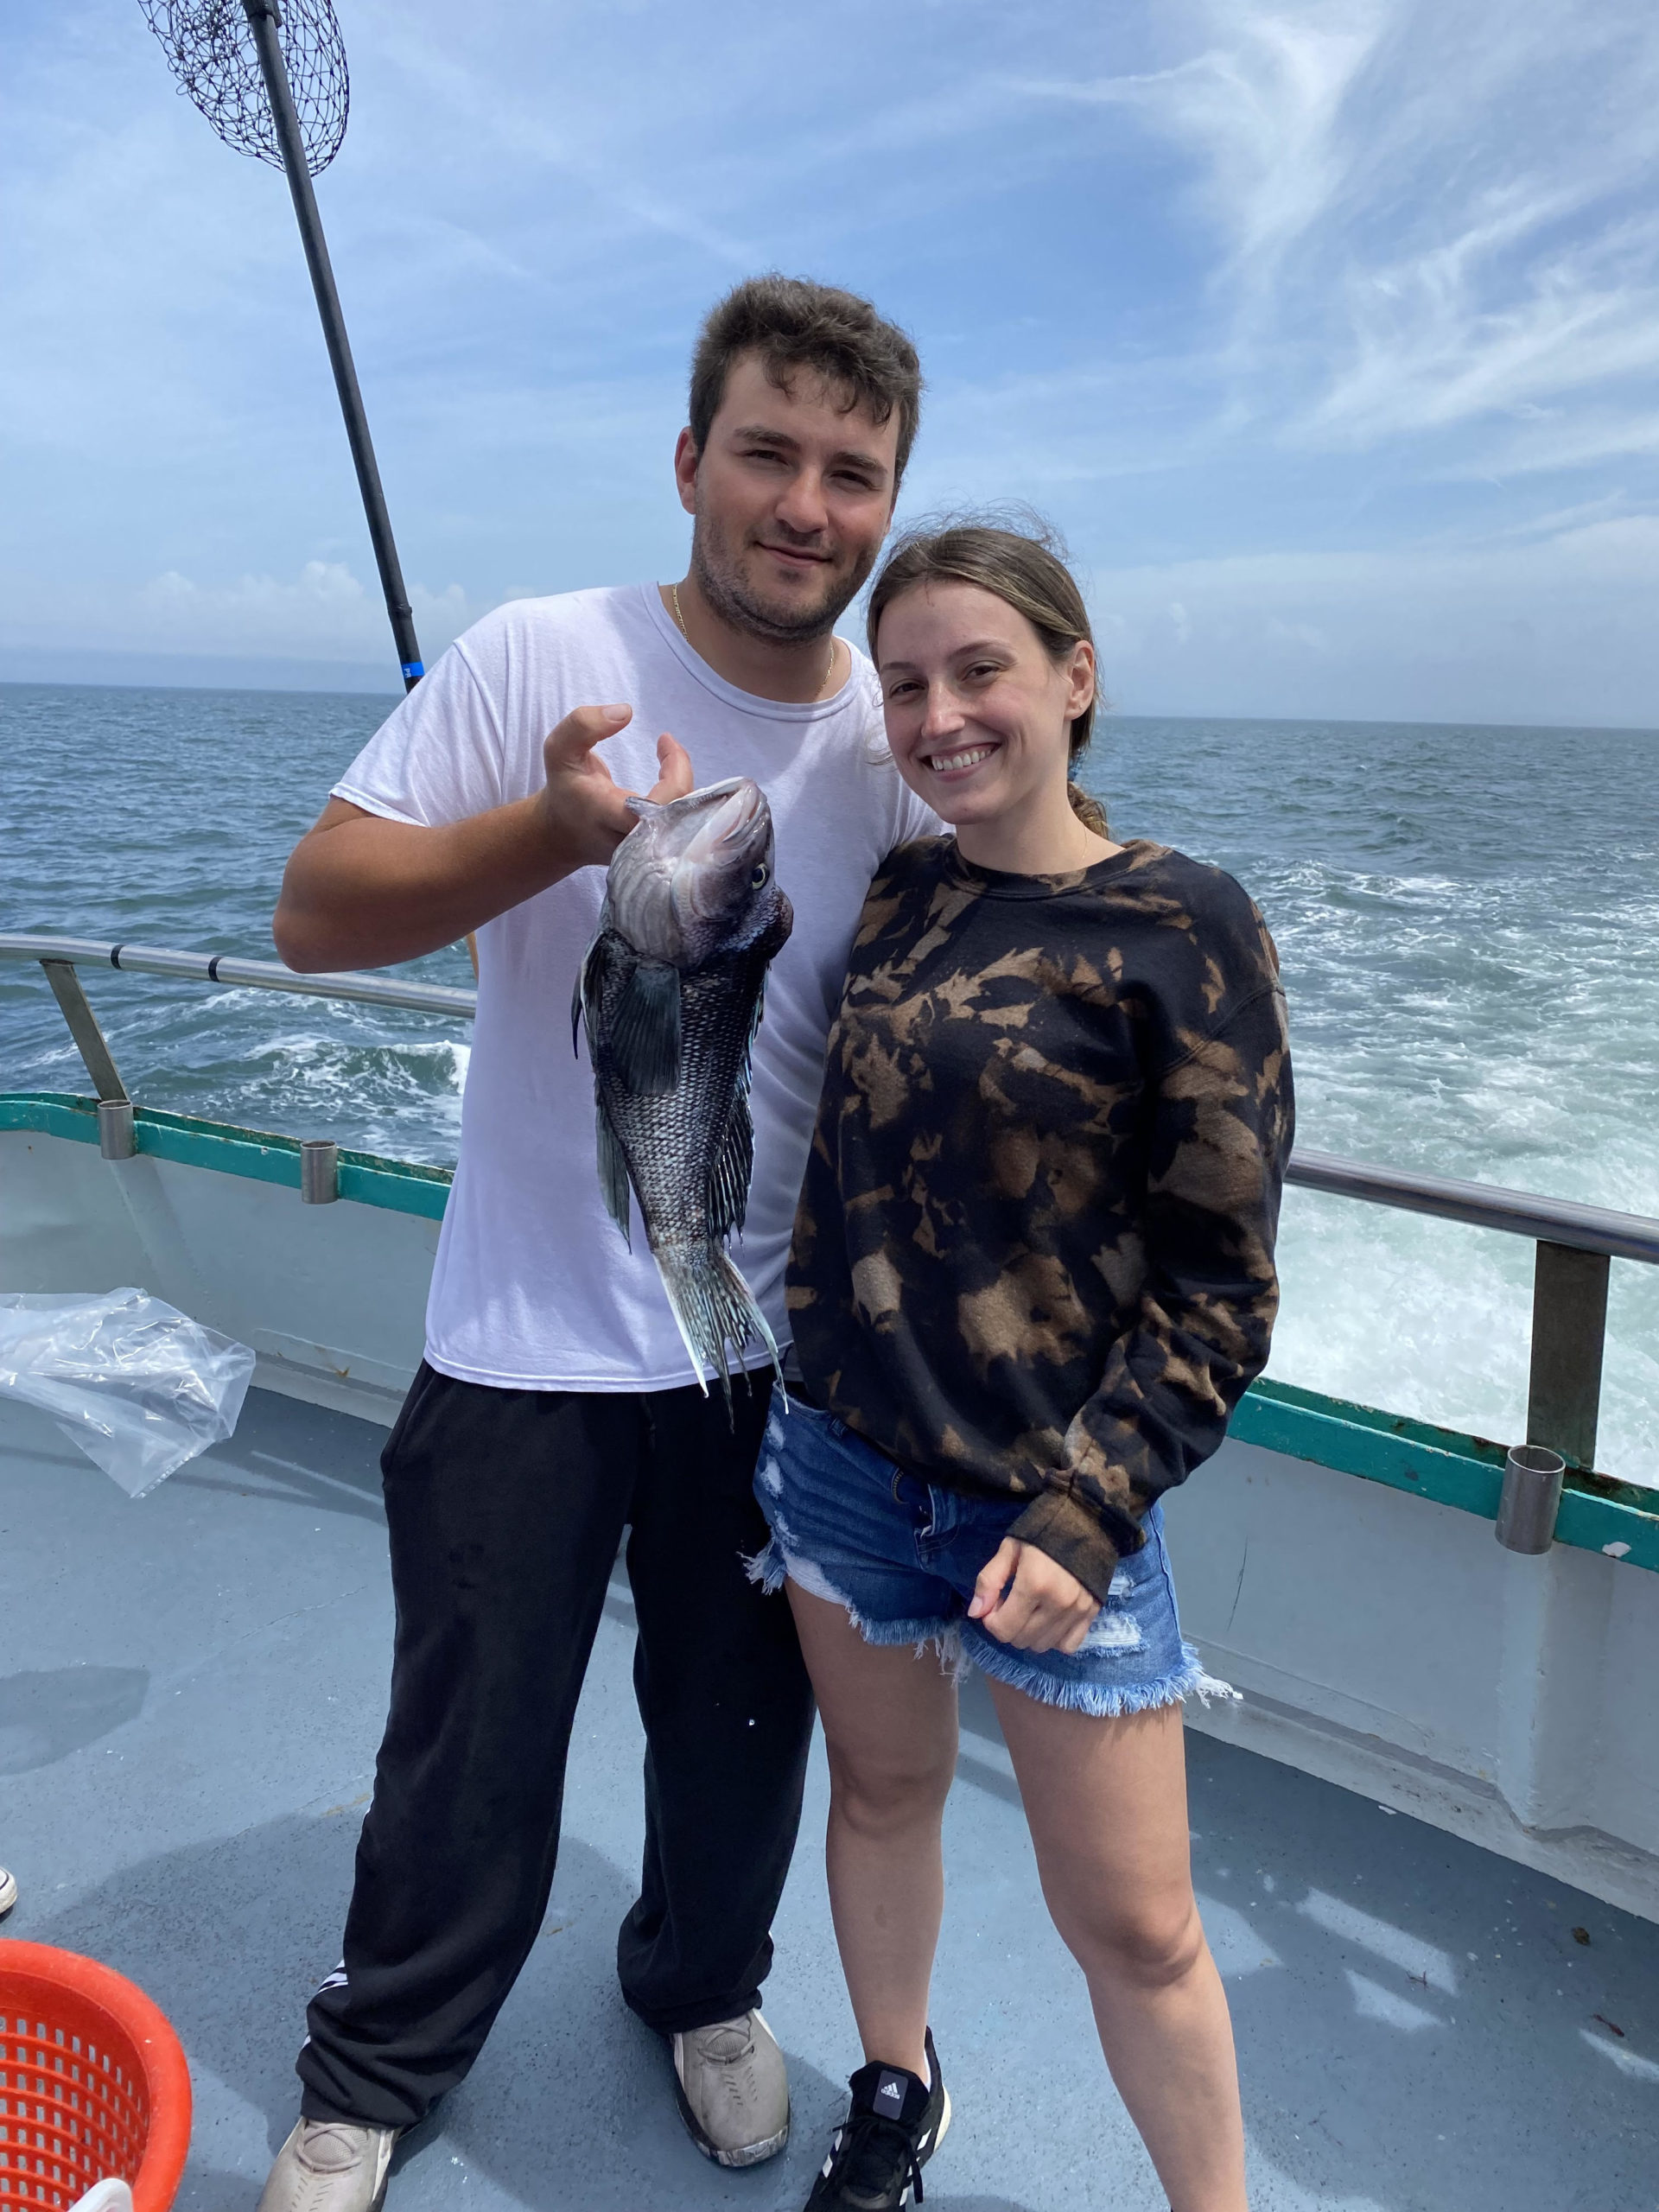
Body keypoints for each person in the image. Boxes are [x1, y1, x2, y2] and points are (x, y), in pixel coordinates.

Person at [257, 276, 933, 2212]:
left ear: (883, 501)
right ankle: (375, 2062)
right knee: (468, 1741)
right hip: (520, 1334)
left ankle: (702, 1985)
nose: (806, 504)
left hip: (764, 1358)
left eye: (851, 471)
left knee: (740, 1740)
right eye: (770, 454)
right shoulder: (542, 650)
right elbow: (316, 911)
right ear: (692, 461)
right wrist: (549, 837)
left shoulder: (895, 750)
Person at [756, 521, 1294, 2212]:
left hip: (1057, 1515)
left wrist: (1089, 1514)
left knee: (1136, 1921)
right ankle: (898, 2084)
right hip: (845, 1465)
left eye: (980, 668)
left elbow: (1221, 1290)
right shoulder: (904, 887)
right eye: (905, 682)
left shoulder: (1187, 924)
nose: (938, 713)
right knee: (884, 1789)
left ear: (1075, 676)